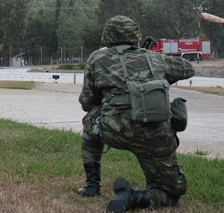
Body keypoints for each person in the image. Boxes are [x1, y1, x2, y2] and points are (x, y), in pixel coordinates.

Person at [77, 15, 194, 212]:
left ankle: (92, 186)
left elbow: (86, 102)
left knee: (91, 119)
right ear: (136, 37)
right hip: (155, 135)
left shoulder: (97, 58)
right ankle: (137, 197)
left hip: (115, 131)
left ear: (108, 38)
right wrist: (151, 71)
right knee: (172, 193)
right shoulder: (155, 58)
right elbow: (188, 69)